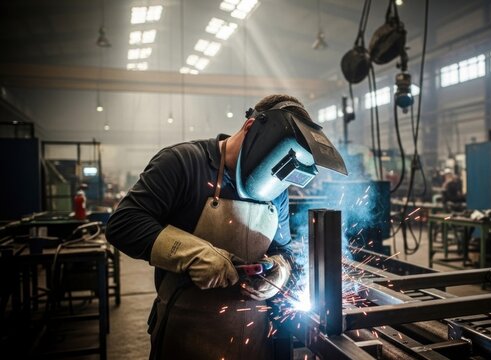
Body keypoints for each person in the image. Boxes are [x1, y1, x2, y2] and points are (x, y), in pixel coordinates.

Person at [106, 94, 347, 360]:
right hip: (186, 332)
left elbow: (283, 249)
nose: (273, 180)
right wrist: (192, 253)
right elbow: (123, 223)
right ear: (249, 128)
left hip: (255, 337)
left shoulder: (276, 189)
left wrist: (280, 268)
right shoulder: (183, 162)